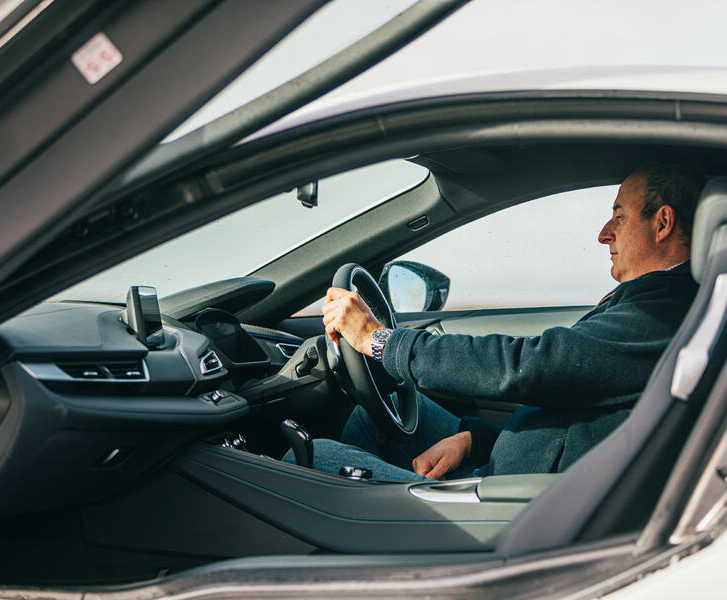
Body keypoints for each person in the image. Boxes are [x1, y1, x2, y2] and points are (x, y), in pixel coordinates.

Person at [285, 165, 705, 481]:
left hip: (513, 503)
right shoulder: (655, 303)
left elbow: (527, 366)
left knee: (307, 462)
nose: (604, 233)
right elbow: (572, 407)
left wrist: (379, 342)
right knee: (377, 415)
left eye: (619, 216)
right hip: (506, 467)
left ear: (663, 223)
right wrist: (475, 440)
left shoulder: (665, 312)